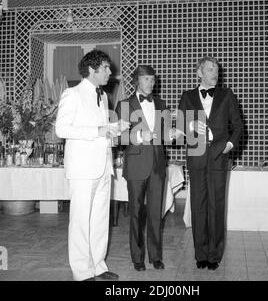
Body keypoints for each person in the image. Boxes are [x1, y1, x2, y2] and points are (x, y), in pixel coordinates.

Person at [55, 49, 129, 281]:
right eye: (106, 68)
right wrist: (97, 131)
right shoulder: (72, 93)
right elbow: (62, 129)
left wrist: (114, 129)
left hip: (103, 167)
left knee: (99, 221)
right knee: (80, 222)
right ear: (91, 69)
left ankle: (98, 266)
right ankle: (81, 271)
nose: (110, 72)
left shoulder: (104, 96)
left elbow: (101, 131)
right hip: (82, 170)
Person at [176, 56, 243, 270]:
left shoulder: (227, 95)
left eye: (216, 69)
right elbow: (179, 128)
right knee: (198, 206)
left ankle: (215, 255)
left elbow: (239, 126)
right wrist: (191, 125)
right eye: (210, 69)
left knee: (217, 205)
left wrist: (229, 146)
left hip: (219, 157)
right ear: (199, 73)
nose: (215, 73)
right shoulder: (187, 96)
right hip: (196, 157)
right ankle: (201, 254)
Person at [115, 65, 173, 271]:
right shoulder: (124, 105)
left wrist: (172, 134)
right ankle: (137, 258)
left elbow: (165, 133)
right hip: (136, 164)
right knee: (137, 213)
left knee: (156, 213)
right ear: (136, 81)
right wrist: (140, 136)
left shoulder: (161, 103)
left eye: (152, 79)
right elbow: (118, 137)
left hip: (158, 164)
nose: (151, 83)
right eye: (147, 79)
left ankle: (155, 256)